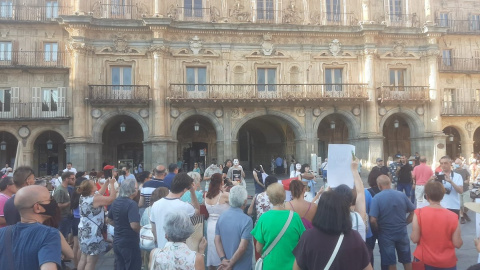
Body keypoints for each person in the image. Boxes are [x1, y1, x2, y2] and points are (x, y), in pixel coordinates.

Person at [293, 191, 372, 270]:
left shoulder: (308, 237)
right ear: (344, 212)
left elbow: (297, 268)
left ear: (320, 211)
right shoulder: (354, 238)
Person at [0, 185, 73, 269]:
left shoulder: (2, 233)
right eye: (50, 200)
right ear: (37, 207)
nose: (53, 203)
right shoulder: (49, 234)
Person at [251, 183, 305, 270]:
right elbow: (303, 242)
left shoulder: (264, 218)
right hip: (292, 266)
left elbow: (258, 248)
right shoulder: (295, 217)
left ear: (270, 198)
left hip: (270, 265)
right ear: (284, 196)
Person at [410, 181, 463, 269]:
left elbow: (415, 239)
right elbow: (458, 243)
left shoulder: (418, 213)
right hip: (447, 262)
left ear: (427, 196)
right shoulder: (453, 216)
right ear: (442, 196)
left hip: (425, 260)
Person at [370, 175, 415, 270]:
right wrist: (405, 223)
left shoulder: (377, 198)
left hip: (386, 234)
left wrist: (377, 230)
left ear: (379, 185)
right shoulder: (401, 195)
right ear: (390, 183)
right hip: (402, 232)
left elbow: (373, 219)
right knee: (406, 259)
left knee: (390, 261)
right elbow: (413, 212)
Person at [150, 173, 200, 248]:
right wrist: (192, 192)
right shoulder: (185, 207)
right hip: (179, 250)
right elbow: (197, 210)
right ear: (185, 189)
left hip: (162, 250)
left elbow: (153, 229)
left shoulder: (155, 205)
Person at [77, 177, 117, 270]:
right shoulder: (94, 199)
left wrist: (106, 184)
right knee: (91, 260)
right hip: (92, 232)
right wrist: (111, 184)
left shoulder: (83, 196)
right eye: (94, 185)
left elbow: (99, 193)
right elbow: (111, 199)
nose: (96, 185)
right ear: (91, 189)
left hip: (83, 230)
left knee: (83, 258)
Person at [215, 186, 253, 270]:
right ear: (245, 202)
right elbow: (242, 247)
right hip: (242, 265)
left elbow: (217, 240)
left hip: (225, 263)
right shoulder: (247, 220)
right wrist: (231, 264)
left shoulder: (221, 217)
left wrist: (223, 259)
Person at [107, 178, 141, 270]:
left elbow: (109, 219)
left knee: (120, 266)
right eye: (137, 188)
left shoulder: (116, 201)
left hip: (117, 240)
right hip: (129, 241)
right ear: (132, 191)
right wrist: (141, 230)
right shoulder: (132, 204)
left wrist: (120, 225)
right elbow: (134, 225)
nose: (138, 191)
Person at [205, 173, 230, 270]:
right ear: (221, 182)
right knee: (223, 249)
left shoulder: (207, 195)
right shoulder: (224, 195)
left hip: (210, 224)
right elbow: (238, 202)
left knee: (212, 250)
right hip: (222, 224)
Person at [140, 187, 169, 269]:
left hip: (148, 246)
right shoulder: (166, 211)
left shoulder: (147, 210)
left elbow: (142, 226)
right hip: (162, 246)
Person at [71, 177, 88, 269]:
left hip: (74, 219)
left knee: (75, 245)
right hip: (81, 220)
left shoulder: (74, 193)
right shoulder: (83, 195)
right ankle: (80, 266)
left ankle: (76, 265)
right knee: (80, 247)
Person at [53, 171, 75, 238]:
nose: (74, 180)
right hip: (62, 217)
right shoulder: (60, 190)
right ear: (66, 179)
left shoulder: (65, 189)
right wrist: (70, 202)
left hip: (66, 216)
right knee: (62, 237)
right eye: (72, 179)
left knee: (66, 235)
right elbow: (58, 205)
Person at [454, 158, 472, 224]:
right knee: (461, 205)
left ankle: (464, 213)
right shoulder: (454, 171)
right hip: (458, 191)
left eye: (457, 163)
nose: (456, 165)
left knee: (467, 205)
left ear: (461, 164)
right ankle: (462, 217)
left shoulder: (464, 170)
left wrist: (467, 180)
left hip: (465, 189)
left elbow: (468, 176)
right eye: (455, 163)